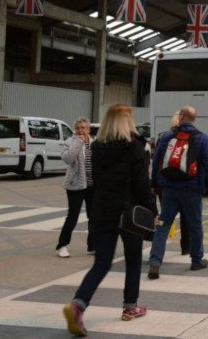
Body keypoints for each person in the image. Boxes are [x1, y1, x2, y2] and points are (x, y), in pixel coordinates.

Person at [62, 104, 158, 335]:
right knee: (133, 259)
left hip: (102, 209)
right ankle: (130, 307)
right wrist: (153, 211)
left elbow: (95, 179)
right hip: (128, 211)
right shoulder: (135, 146)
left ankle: (78, 305)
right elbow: (142, 184)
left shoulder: (97, 147)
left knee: (102, 262)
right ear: (128, 122)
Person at [148, 106, 208, 279]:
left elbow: (156, 161)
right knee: (195, 225)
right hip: (191, 189)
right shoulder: (202, 138)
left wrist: (154, 184)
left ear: (181, 117)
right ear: (194, 119)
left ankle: (155, 262)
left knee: (162, 225)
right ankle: (196, 260)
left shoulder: (167, 136)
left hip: (169, 189)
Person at [149, 111, 190, 267]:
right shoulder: (192, 136)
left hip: (166, 183)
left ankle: (156, 257)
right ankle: (186, 248)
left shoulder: (164, 137)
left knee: (164, 221)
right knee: (187, 217)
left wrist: (154, 183)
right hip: (185, 184)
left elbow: (156, 161)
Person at [56, 117, 95, 258]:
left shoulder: (94, 143)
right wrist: (79, 142)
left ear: (88, 129)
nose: (80, 130)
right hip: (75, 185)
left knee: (94, 217)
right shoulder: (70, 142)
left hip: (92, 185)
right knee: (73, 216)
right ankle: (62, 246)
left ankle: (92, 246)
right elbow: (67, 159)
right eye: (78, 128)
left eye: (83, 127)